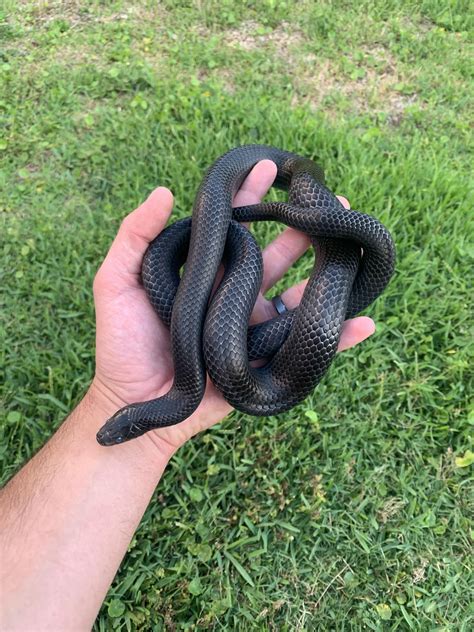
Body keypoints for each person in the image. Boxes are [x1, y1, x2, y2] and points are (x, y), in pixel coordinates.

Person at [0, 161, 375, 630]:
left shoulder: (194, 382)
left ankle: (303, 180)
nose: (116, 432)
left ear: (141, 418)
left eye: (120, 426)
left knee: (327, 254)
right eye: (122, 429)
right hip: (241, 324)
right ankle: (316, 212)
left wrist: (298, 177)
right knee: (322, 273)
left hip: (250, 295)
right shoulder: (189, 385)